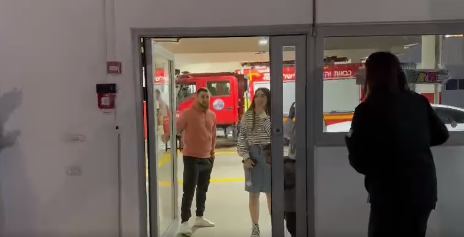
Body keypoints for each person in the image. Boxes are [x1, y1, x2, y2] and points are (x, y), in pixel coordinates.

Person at [345, 52, 449, 237]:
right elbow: (442, 134)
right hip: (423, 190)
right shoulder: (418, 101)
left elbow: (359, 161)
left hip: (389, 193)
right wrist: (414, 143)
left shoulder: (367, 109)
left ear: (372, 76)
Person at [162, 88, 217, 236]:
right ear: (197, 98)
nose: (205, 99)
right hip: (191, 158)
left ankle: (200, 216)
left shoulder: (212, 115)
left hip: (207, 158)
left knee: (202, 190)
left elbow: (213, 135)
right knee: (189, 191)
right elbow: (176, 128)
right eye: (203, 97)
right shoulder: (187, 113)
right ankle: (184, 222)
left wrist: (212, 153)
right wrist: (165, 136)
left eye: (207, 97)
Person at [237, 88, 272, 237]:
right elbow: (241, 138)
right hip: (253, 157)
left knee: (272, 194)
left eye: (263, 96)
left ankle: (274, 225)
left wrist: (263, 115)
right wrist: (245, 157)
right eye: (257, 96)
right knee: (253, 194)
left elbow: (275, 133)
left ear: (268, 98)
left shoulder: (272, 114)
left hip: (270, 155)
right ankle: (255, 227)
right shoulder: (247, 116)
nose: (259, 99)